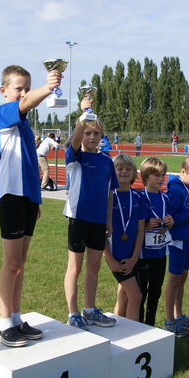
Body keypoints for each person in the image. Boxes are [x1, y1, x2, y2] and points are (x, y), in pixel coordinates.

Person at [0, 65, 62, 347]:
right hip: (9, 195)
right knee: (10, 263)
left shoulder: (25, 123)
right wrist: (49, 87)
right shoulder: (3, 113)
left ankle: (17, 317)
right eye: (19, 88)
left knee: (20, 264)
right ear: (4, 91)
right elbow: (26, 103)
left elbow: (31, 164)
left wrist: (36, 200)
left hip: (27, 197)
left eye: (26, 87)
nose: (23, 93)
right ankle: (4, 322)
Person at [63, 97, 119, 331]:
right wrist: (84, 113)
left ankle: (89, 309)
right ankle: (73, 313)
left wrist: (109, 222)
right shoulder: (75, 156)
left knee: (94, 267)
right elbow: (75, 138)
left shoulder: (107, 161)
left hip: (98, 221)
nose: (92, 137)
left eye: (96, 133)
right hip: (78, 218)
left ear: (101, 136)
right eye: (88, 133)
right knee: (74, 267)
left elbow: (109, 194)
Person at [163, 156, 189, 337]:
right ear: (182, 172)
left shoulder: (188, 188)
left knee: (182, 279)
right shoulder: (175, 190)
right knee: (173, 281)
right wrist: (187, 218)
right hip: (176, 242)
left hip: (187, 242)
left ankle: (178, 315)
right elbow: (169, 218)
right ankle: (169, 320)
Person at [104, 153, 146, 321]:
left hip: (132, 255)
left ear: (134, 173)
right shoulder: (107, 197)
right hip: (115, 255)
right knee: (136, 295)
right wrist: (110, 258)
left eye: (128, 169)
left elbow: (141, 230)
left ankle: (118, 332)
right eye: (119, 168)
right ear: (112, 172)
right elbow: (100, 231)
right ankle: (132, 335)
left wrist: (135, 257)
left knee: (124, 295)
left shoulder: (138, 197)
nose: (124, 172)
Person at [138, 157, 173, 326]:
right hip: (143, 253)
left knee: (155, 290)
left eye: (163, 175)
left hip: (161, 252)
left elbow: (171, 220)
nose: (161, 179)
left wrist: (171, 222)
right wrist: (144, 226)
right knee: (141, 292)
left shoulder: (165, 198)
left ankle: (150, 323)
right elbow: (131, 224)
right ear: (145, 176)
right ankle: (138, 324)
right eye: (156, 175)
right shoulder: (138, 197)